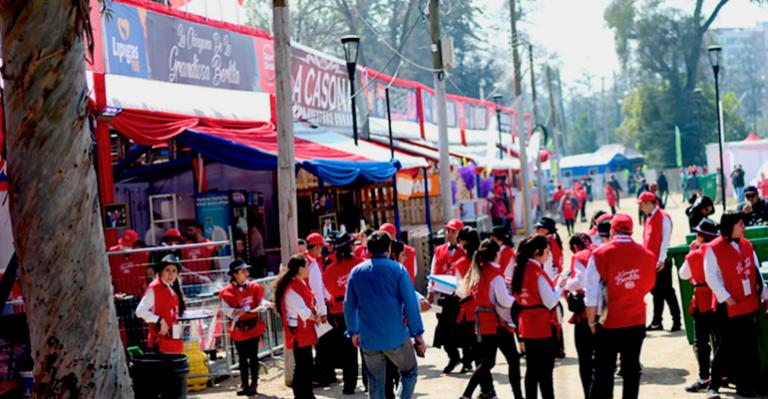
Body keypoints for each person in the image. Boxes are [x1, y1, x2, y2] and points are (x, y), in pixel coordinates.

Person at [344, 231, 425, 399]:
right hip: (395, 336)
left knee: (375, 382)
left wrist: (353, 331)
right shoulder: (399, 270)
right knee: (409, 372)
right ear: (389, 248)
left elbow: (349, 305)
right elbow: (410, 305)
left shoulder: (356, 272)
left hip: (368, 338)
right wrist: (417, 333)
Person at [585, 214, 657, 399]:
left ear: (612, 230)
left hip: (607, 322)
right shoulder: (647, 254)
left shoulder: (599, 254)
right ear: (631, 230)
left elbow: (591, 294)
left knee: (603, 372)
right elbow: (649, 284)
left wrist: (592, 322)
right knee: (631, 370)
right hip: (636, 320)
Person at [703, 211, 768, 399]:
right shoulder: (713, 248)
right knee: (728, 346)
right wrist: (727, 297)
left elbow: (756, 275)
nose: (744, 228)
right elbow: (711, 277)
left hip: (748, 303)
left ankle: (750, 384)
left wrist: (765, 296)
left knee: (749, 346)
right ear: (729, 226)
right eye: (740, 224)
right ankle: (713, 384)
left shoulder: (747, 245)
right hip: (728, 306)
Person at [458, 238, 524, 399]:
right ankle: (518, 396)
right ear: (497, 254)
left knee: (487, 362)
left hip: (483, 322)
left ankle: (466, 396)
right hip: (497, 323)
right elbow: (503, 301)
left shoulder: (479, 270)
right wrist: (516, 299)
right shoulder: (495, 274)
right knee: (512, 360)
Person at [512, 235, 562, 399]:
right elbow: (550, 302)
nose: (548, 256)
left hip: (527, 325)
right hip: (542, 326)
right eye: (546, 252)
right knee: (546, 373)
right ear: (536, 252)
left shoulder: (520, 269)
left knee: (532, 370)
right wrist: (560, 286)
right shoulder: (536, 272)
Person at [677, 219, 720, 393]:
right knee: (719, 340)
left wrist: (691, 252)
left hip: (702, 300)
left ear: (701, 236)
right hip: (719, 300)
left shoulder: (695, 254)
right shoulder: (719, 251)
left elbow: (683, 275)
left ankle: (704, 377)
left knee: (701, 343)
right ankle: (723, 375)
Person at [321, 232, 363, 394]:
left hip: (340, 311)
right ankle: (369, 383)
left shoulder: (330, 268)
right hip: (361, 309)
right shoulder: (361, 264)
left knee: (347, 351)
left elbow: (328, 291)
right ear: (352, 245)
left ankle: (348, 386)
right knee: (367, 348)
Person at [219, 259, 268, 396]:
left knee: (253, 356)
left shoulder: (256, 287)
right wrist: (234, 311)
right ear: (234, 274)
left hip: (253, 326)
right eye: (242, 271)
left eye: (247, 270)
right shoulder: (226, 291)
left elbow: (260, 303)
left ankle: (254, 384)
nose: (246, 273)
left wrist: (255, 308)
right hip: (238, 328)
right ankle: (244, 383)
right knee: (241, 357)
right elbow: (225, 309)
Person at [274, 254, 319, 399]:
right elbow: (303, 310)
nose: (308, 269)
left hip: (302, 327)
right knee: (302, 366)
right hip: (298, 329)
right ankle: (302, 395)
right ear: (300, 268)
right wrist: (316, 317)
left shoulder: (297, 282)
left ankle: (306, 394)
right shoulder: (293, 286)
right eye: (306, 266)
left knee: (305, 365)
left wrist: (316, 314)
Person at [427, 219, 469, 374]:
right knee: (443, 329)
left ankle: (467, 360)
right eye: (448, 231)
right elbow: (433, 271)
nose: (449, 234)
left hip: (461, 297)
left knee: (463, 330)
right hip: (444, 297)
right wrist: (430, 292)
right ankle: (453, 357)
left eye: (453, 231)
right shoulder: (439, 250)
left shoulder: (466, 251)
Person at [638, 191, 681, 332]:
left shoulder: (663, 217)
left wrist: (661, 260)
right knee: (656, 292)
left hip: (661, 261)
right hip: (651, 262)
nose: (641, 208)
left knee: (667, 291)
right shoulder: (648, 218)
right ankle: (657, 321)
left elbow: (665, 241)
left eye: (642, 205)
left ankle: (676, 320)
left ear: (649, 203)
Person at [563, 233, 597, 398]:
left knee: (585, 359)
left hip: (585, 314)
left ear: (575, 247)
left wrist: (565, 284)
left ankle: (588, 395)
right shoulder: (599, 251)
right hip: (603, 311)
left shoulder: (580, 256)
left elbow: (580, 281)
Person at [135, 254, 187, 354]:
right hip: (160, 342)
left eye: (174, 271)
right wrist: (159, 320)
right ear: (161, 272)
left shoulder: (172, 288)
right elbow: (140, 311)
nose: (171, 274)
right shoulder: (154, 288)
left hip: (173, 339)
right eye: (167, 270)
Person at [303, 233, 331, 385]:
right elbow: (317, 290)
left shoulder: (304, 259)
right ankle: (317, 375)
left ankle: (316, 375)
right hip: (314, 309)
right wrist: (323, 312)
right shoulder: (312, 263)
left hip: (306, 309)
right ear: (318, 246)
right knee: (321, 344)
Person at [454, 227, 482, 373]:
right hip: (486, 307)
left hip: (470, 310)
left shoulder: (460, 263)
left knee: (471, 343)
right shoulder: (484, 260)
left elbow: (462, 293)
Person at [181, 222, 217, 295]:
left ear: (199, 231)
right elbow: (181, 265)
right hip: (188, 283)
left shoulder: (210, 245)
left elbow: (216, 265)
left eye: (191, 230)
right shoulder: (184, 246)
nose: (188, 232)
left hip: (204, 282)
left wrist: (217, 282)